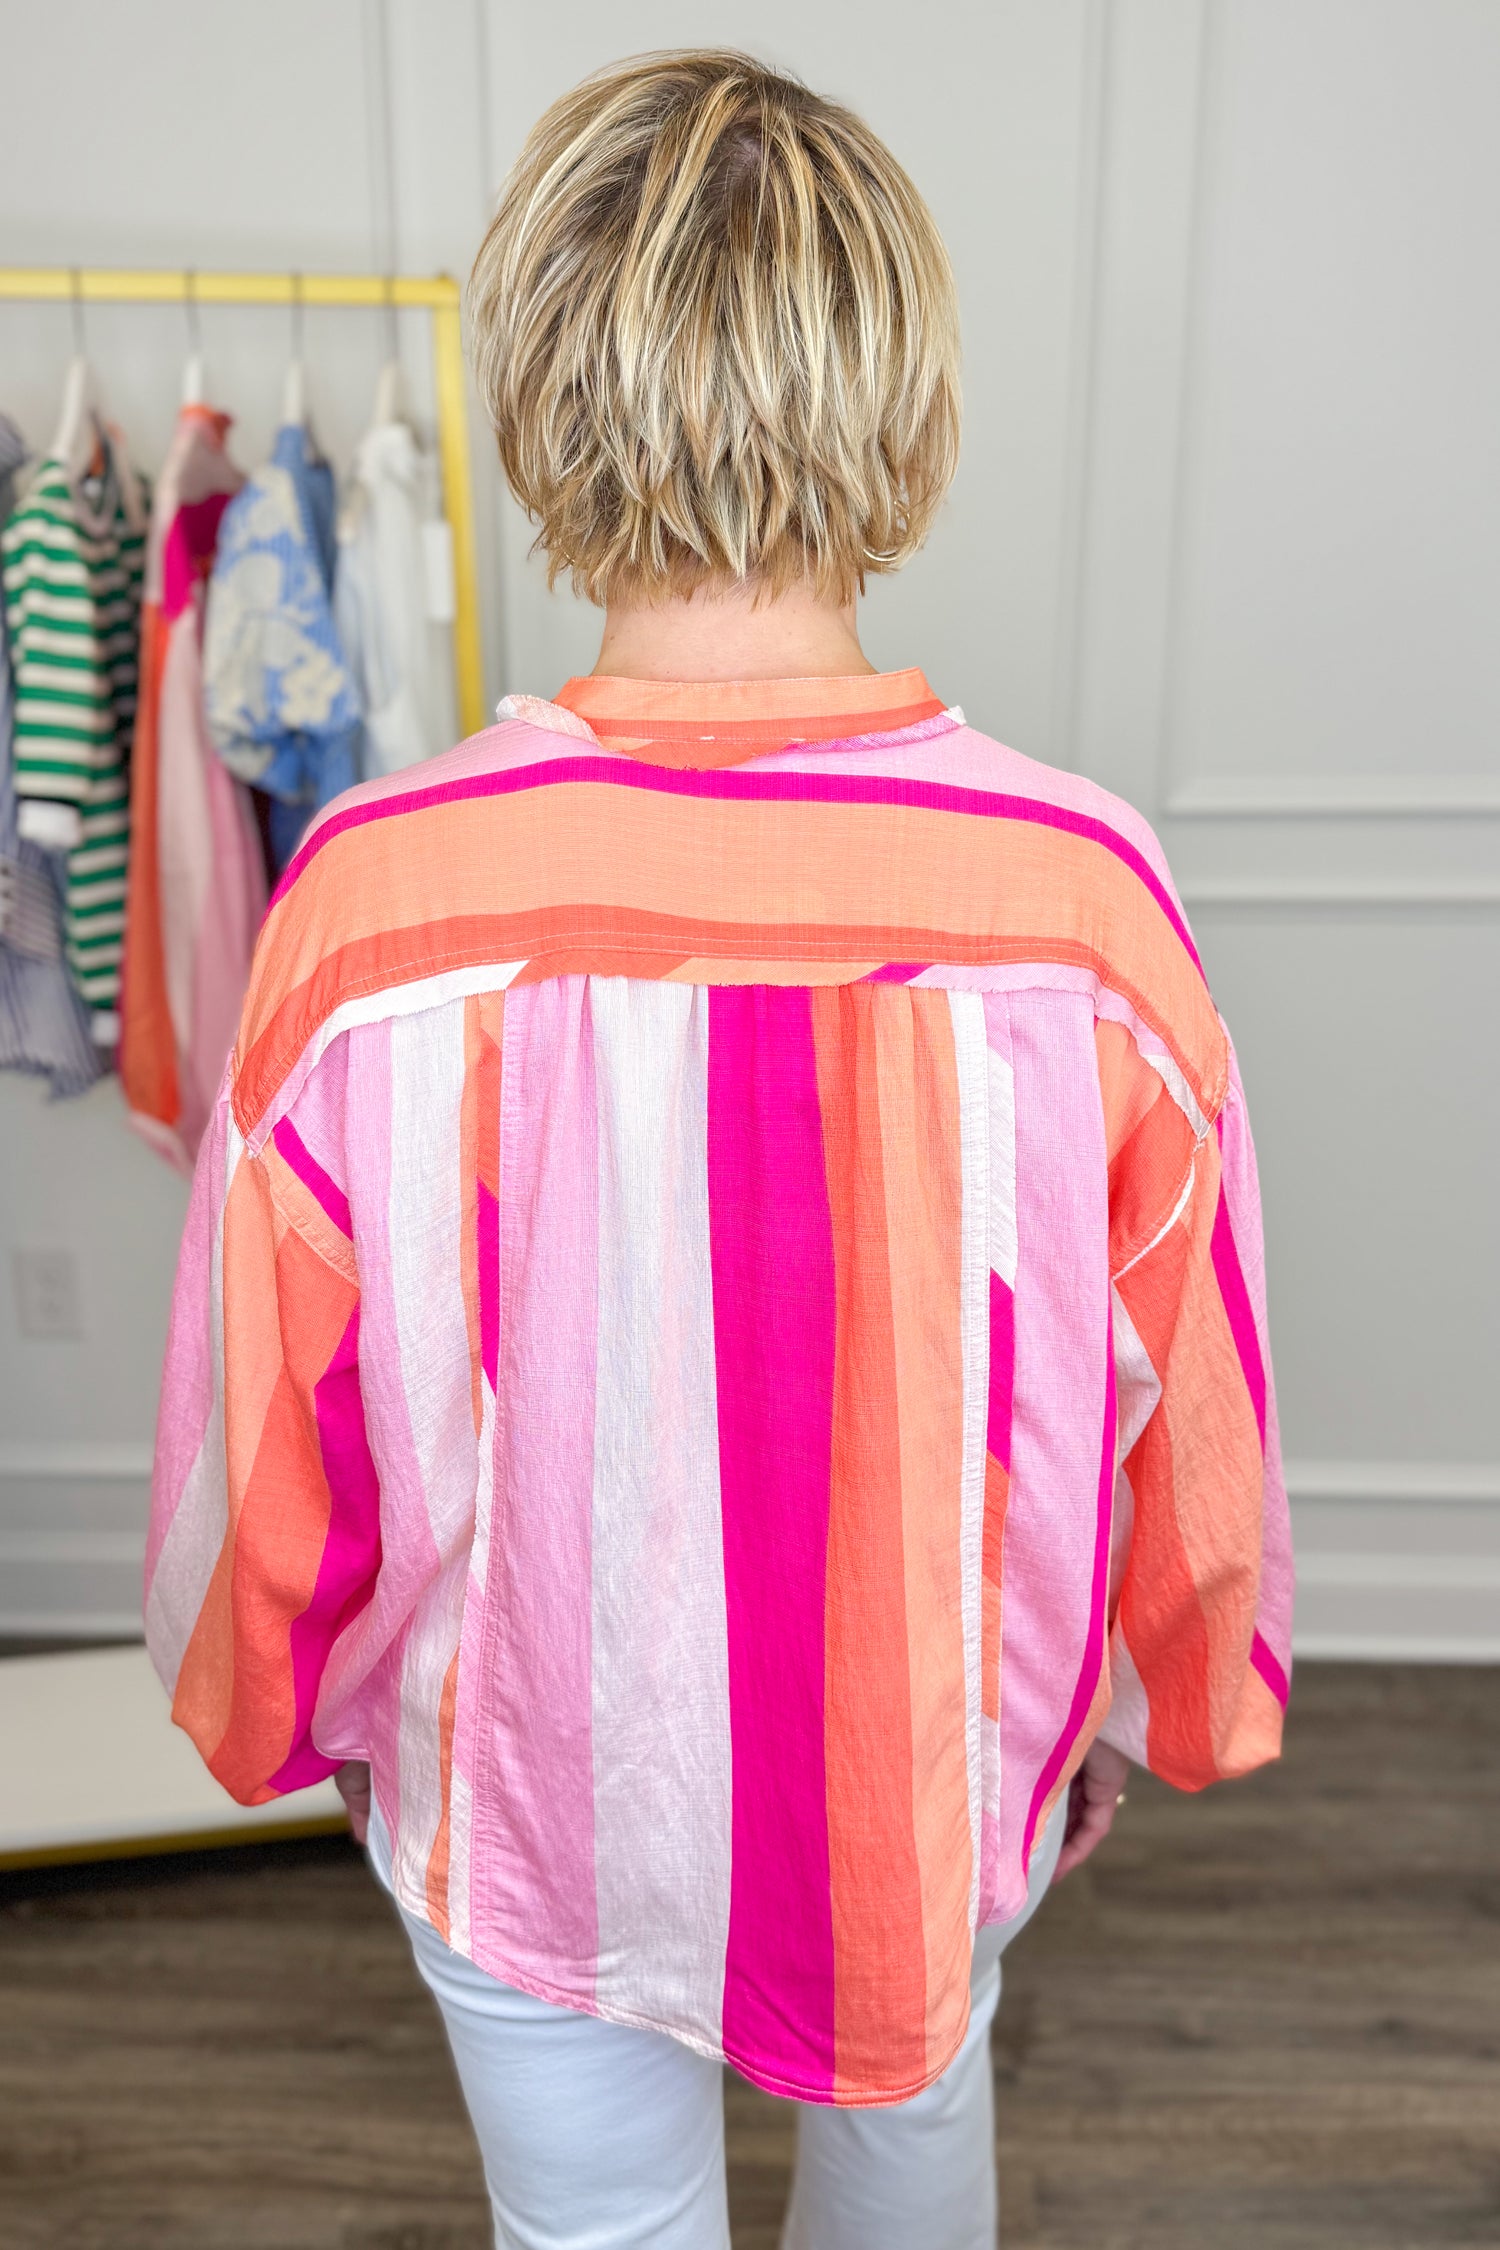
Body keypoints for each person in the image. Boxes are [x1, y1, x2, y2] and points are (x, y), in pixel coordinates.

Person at [145, 49, 1293, 2250]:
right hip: (938, 1773)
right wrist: (1154, 1691)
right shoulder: (1084, 896)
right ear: (902, 392)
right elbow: (1194, 1387)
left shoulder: (380, 897)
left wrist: (268, 1699)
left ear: (541, 390)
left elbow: (263, 1415)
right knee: (912, 2149)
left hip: (525, 1790)